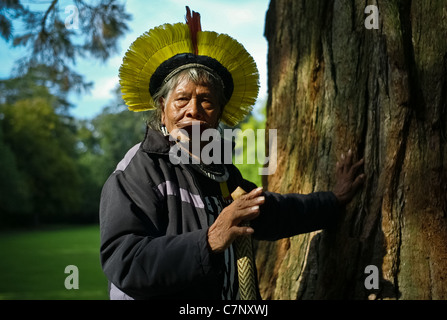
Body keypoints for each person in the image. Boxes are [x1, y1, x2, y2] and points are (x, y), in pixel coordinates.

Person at [99, 8, 365, 300]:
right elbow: (125, 262)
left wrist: (334, 200)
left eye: (206, 101)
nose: (194, 111)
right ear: (162, 110)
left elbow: (276, 212)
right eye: (182, 100)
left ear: (220, 114)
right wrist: (209, 240)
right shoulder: (139, 170)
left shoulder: (221, 173)